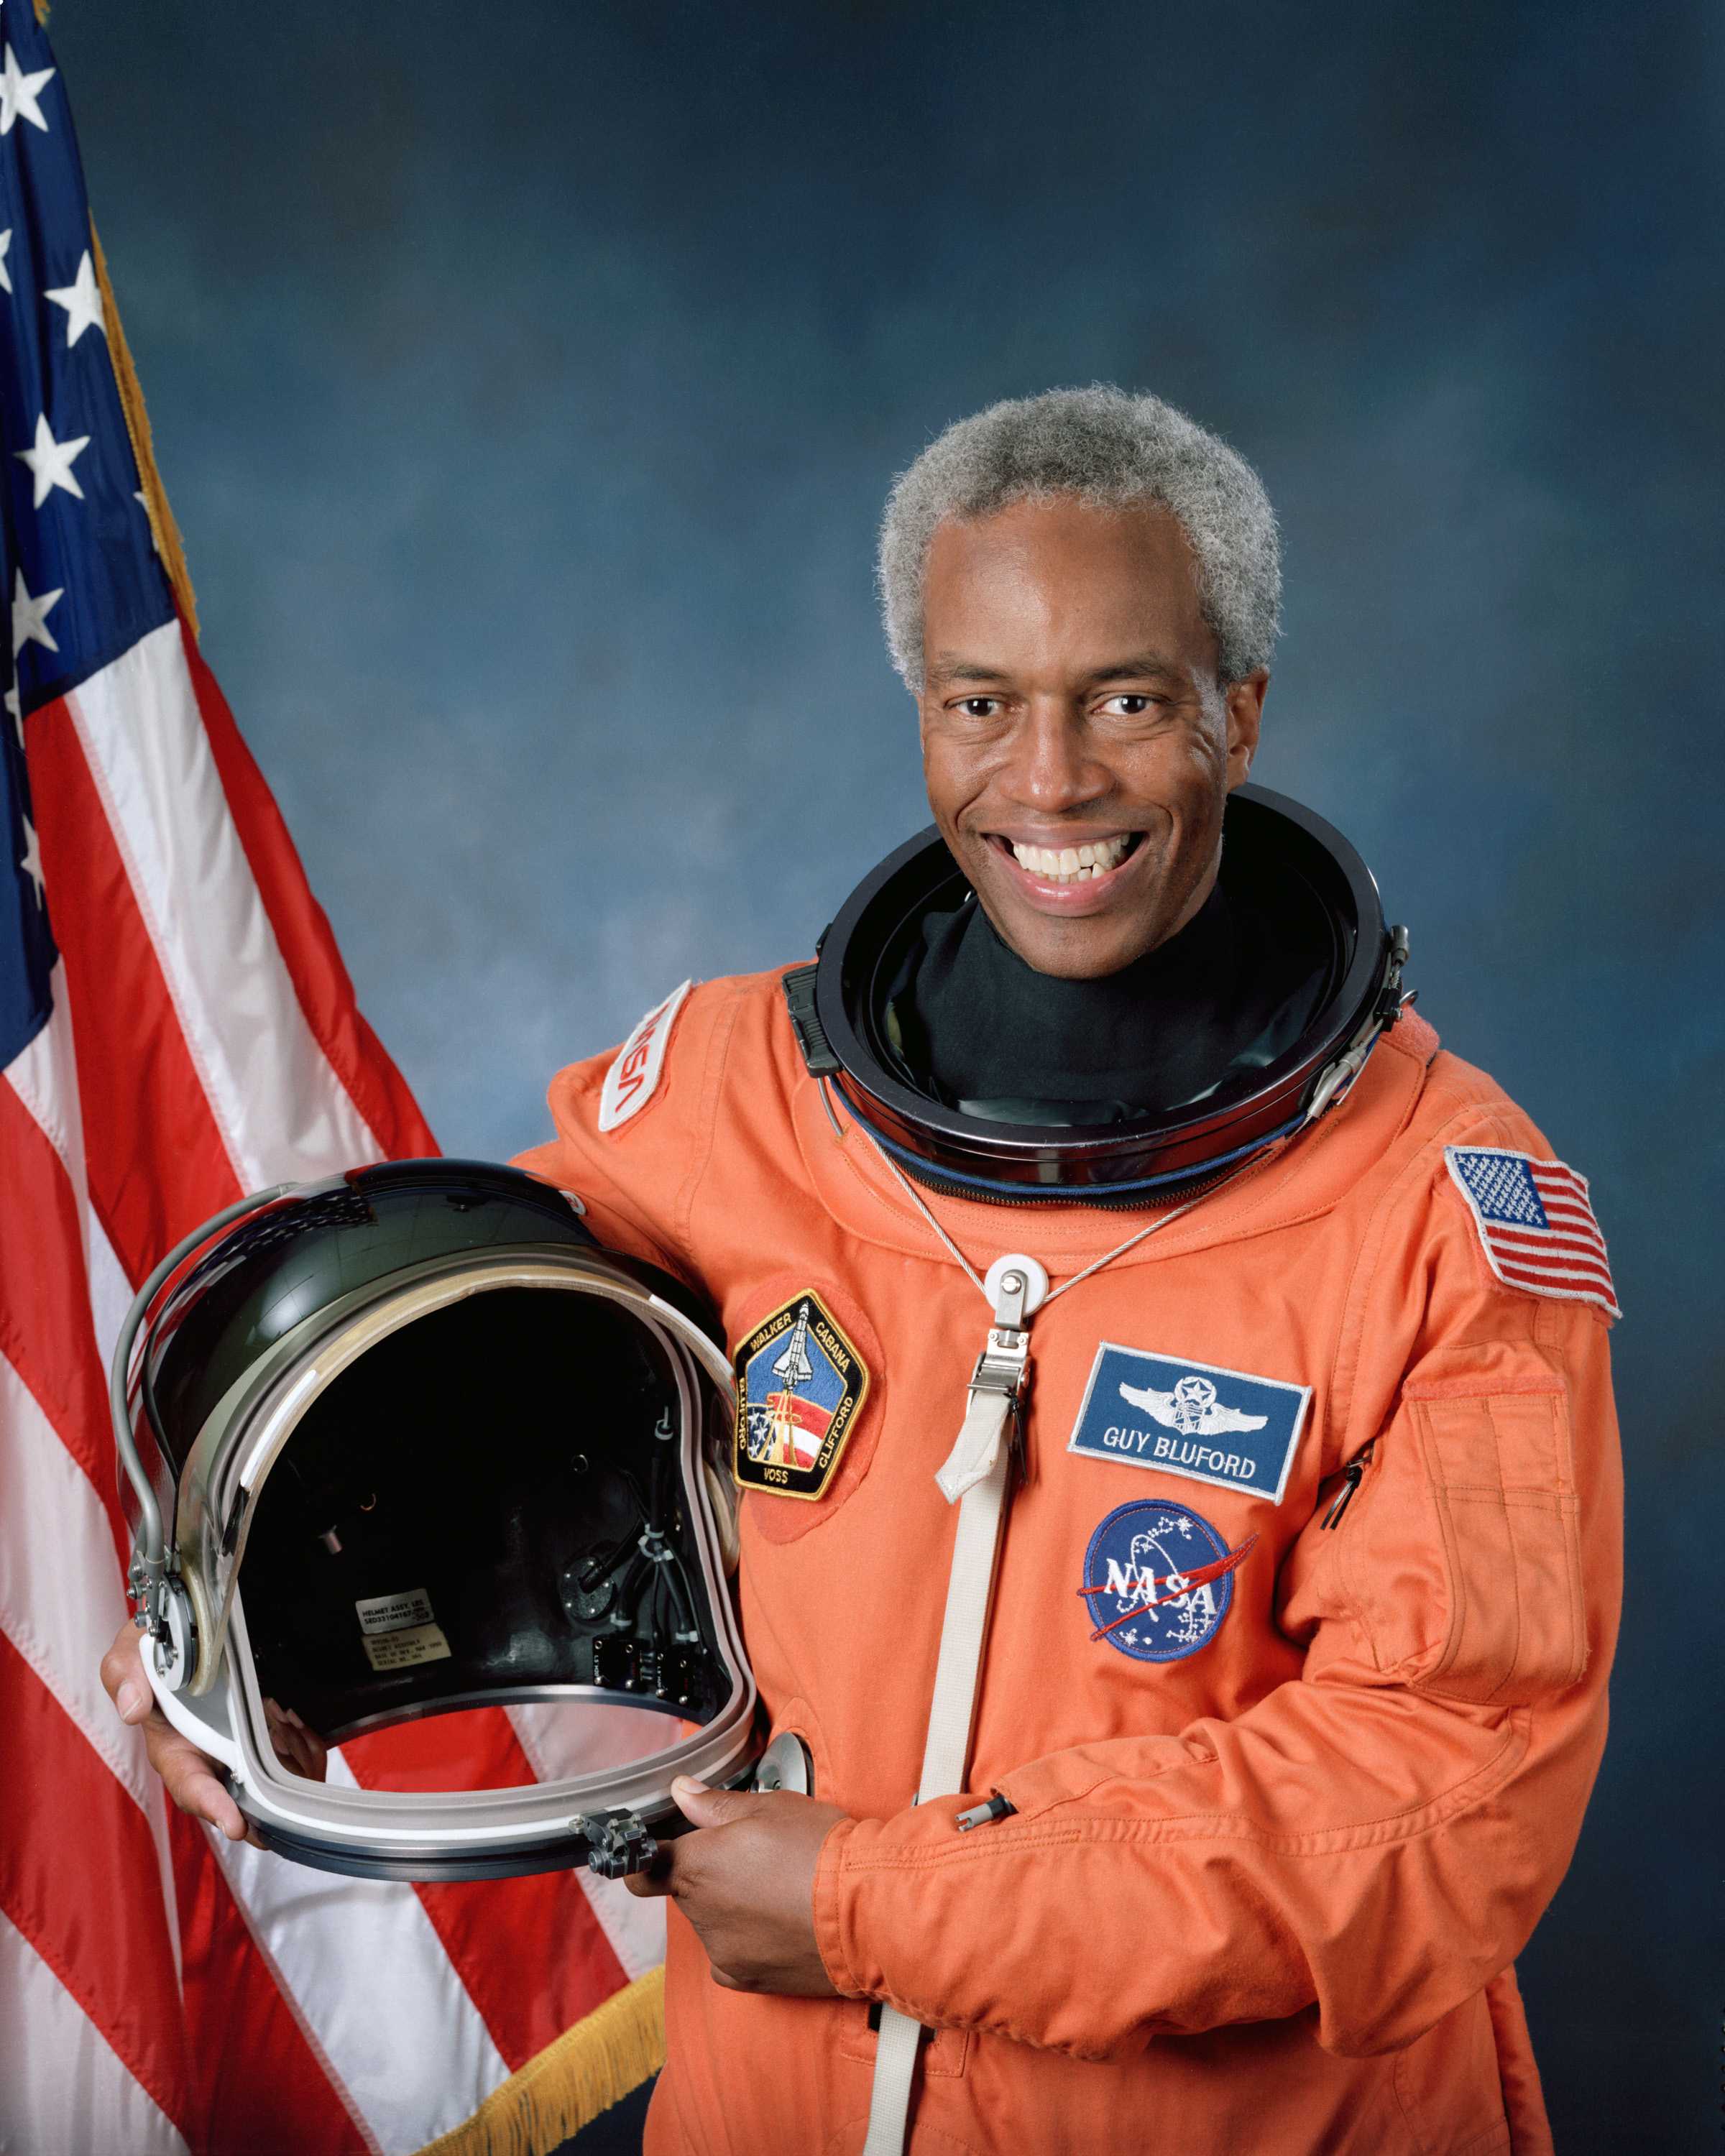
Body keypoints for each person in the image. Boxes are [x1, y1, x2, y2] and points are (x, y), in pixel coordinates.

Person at [105, 387, 1622, 2155]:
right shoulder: (737, 1099)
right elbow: (452, 1381)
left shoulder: (1440, 1217)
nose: (1047, 781)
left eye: (1125, 699)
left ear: (1237, 711)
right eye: (983, 703)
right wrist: (229, 1619)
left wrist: (873, 1901)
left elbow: (1434, 1805)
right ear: (925, 709)